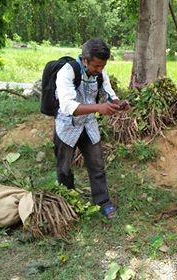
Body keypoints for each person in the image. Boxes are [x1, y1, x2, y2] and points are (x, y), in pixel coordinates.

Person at [54, 38, 129, 219]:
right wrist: (98, 108)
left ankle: (102, 201)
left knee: (97, 165)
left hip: (89, 126)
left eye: (102, 66)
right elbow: (68, 106)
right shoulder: (67, 72)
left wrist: (119, 104)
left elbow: (109, 95)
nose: (99, 70)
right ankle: (67, 201)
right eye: (96, 66)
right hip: (66, 127)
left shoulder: (101, 74)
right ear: (85, 59)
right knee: (64, 168)